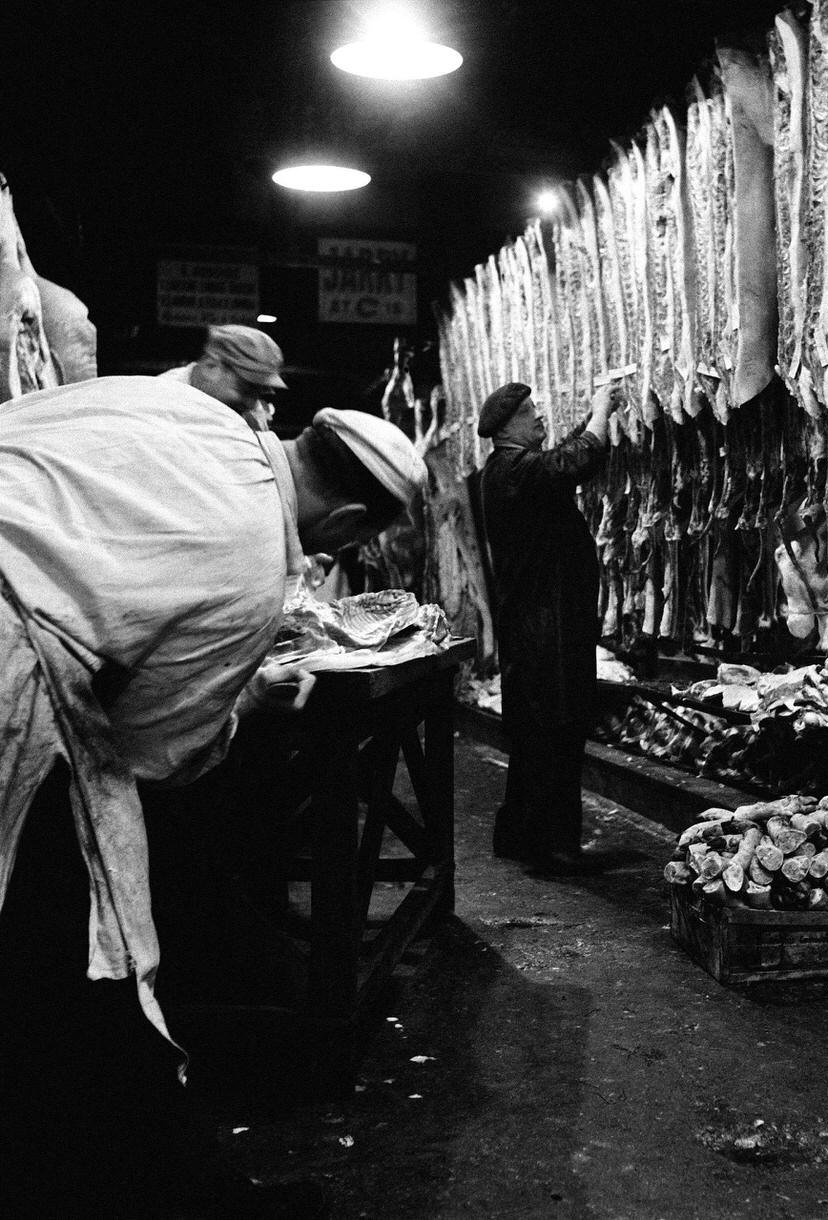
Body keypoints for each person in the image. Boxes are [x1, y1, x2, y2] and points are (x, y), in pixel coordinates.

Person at [0, 375, 425, 1217]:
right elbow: (157, 754)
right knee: (93, 948)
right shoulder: (254, 560)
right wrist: (243, 707)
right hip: (14, 677)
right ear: (343, 528)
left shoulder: (183, 409)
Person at [478, 381, 616, 873]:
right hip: (547, 628)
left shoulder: (509, 471)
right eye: (531, 411)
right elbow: (571, 463)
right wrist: (600, 414)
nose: (540, 416)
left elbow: (559, 462)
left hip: (537, 625)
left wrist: (590, 424)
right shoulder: (513, 471)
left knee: (535, 737)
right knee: (558, 731)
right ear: (507, 426)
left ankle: (518, 835)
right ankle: (555, 847)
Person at [159, 322, 287, 431]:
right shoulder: (161, 400)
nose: (252, 403)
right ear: (211, 366)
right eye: (244, 389)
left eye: (259, 391)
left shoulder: (249, 407)